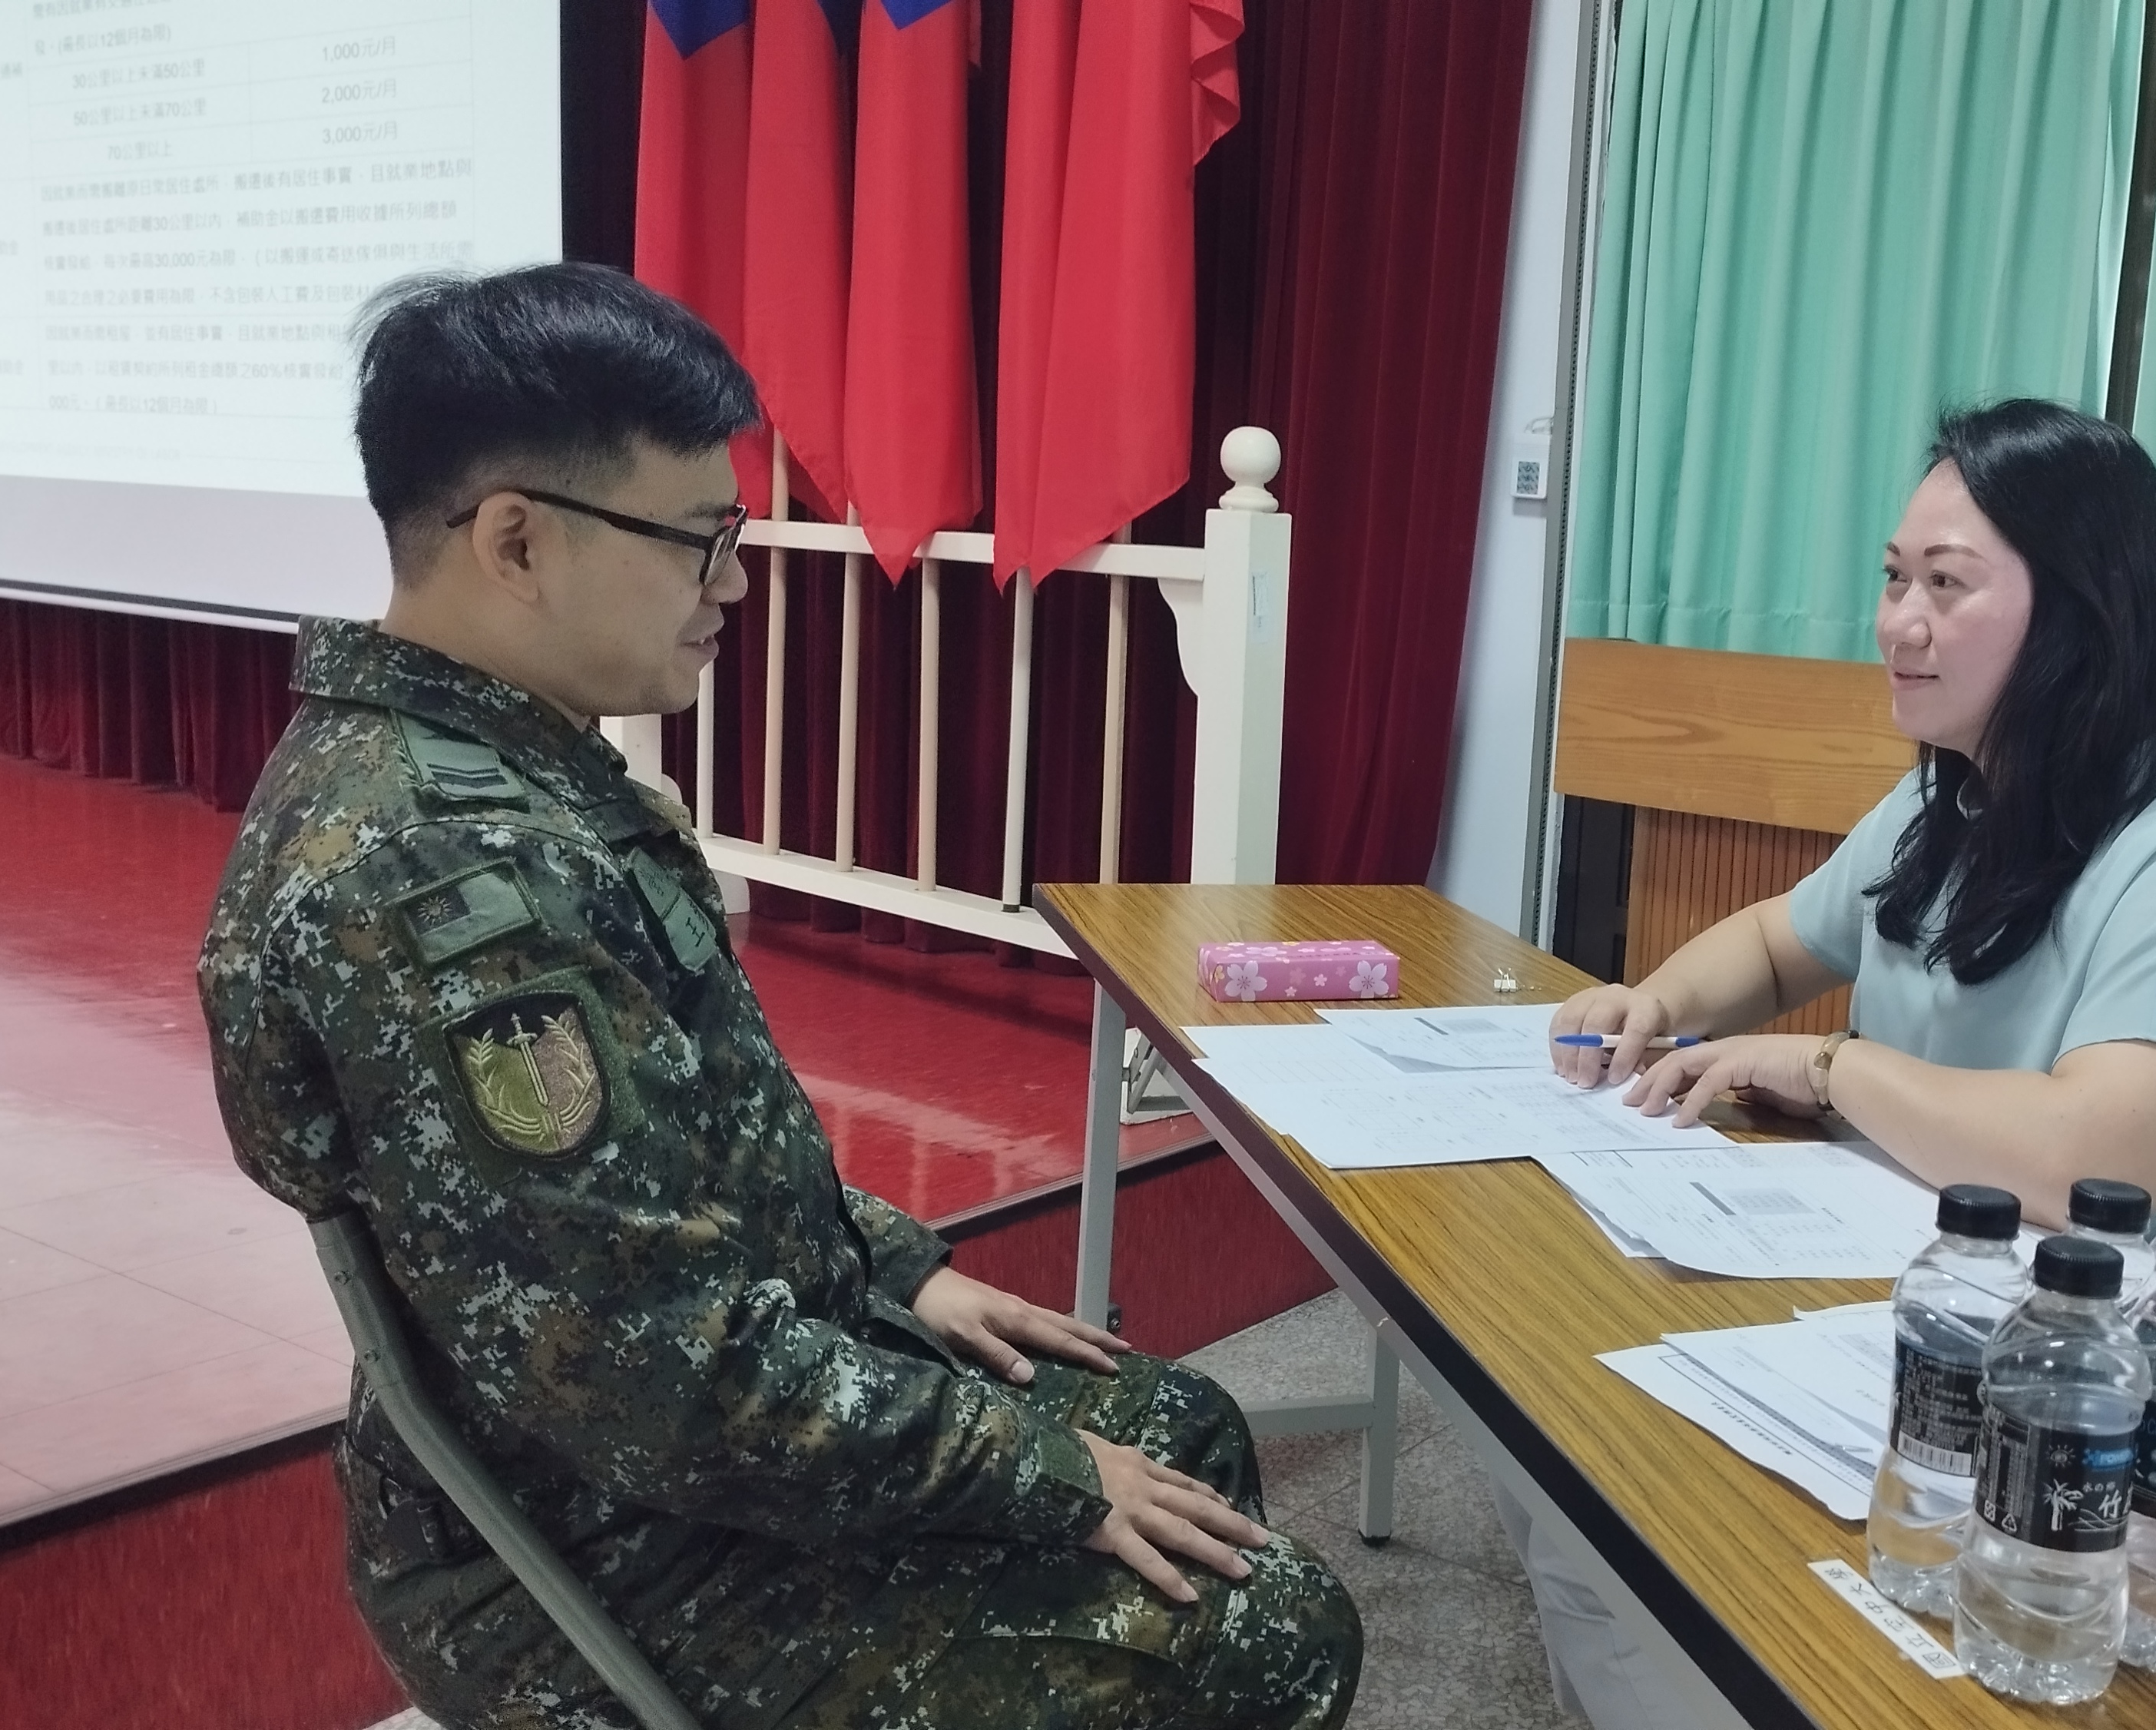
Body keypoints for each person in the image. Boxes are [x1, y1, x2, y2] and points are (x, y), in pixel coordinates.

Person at [197, 263, 1360, 1730]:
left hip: (650, 1459)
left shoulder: (499, 776)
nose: (735, 585)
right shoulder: (448, 885)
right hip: (598, 1544)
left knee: (1177, 1427)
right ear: (516, 541)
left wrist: (892, 1268)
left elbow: (684, 1158)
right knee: (1267, 1630)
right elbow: (665, 1381)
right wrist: (1042, 1474)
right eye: (700, 541)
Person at [1515, 399, 2156, 1726]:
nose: (1899, 622)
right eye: (1895, 579)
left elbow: (2093, 1162)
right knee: (1571, 1460)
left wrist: (1832, 1068)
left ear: (2081, 613)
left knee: (1640, 1515)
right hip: (1885, 1279)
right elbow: (1777, 941)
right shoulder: (1958, 793)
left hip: (2082, 1388)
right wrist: (1654, 1001)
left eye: (1947, 585)